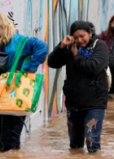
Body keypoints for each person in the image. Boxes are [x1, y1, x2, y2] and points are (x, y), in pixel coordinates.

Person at [0, 12, 48, 153]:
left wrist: (29, 68)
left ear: (4, 27)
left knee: (10, 139)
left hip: (15, 93)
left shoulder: (19, 41)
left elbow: (42, 47)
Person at [47, 21, 109, 153]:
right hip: (74, 102)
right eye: (76, 37)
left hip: (95, 101)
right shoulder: (70, 47)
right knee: (75, 146)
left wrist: (76, 56)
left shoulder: (100, 46)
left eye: (82, 36)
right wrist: (62, 46)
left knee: (92, 142)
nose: (79, 40)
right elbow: (52, 63)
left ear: (90, 33)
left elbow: (94, 67)